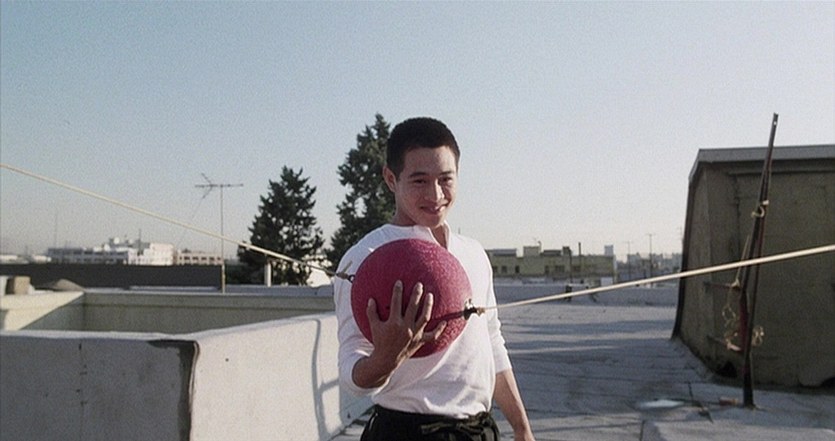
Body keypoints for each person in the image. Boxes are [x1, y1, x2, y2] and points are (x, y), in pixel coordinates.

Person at [334, 117, 536, 441]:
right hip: (405, 433)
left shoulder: (474, 253)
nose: (436, 193)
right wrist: (384, 360)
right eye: (419, 181)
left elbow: (491, 342)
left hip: (479, 430)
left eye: (446, 179)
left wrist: (522, 428)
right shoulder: (367, 257)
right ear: (391, 179)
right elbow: (351, 372)